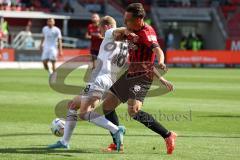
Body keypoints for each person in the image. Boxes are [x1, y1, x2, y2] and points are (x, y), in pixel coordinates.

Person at [92, 3, 177, 154]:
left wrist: (161, 61)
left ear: (139, 19)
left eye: (128, 20)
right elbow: (117, 36)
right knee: (107, 107)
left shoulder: (146, 32)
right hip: (131, 73)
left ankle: (168, 135)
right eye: (124, 19)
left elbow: (157, 50)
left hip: (142, 76)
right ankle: (117, 143)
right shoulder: (130, 30)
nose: (125, 23)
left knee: (134, 111)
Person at [48, 16, 128, 151]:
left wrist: (128, 29)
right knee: (73, 105)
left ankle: (115, 129)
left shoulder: (110, 33)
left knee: (84, 113)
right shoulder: (125, 43)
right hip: (110, 81)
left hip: (100, 79)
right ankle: (64, 141)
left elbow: (116, 31)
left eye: (101, 30)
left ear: (107, 27)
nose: (101, 34)